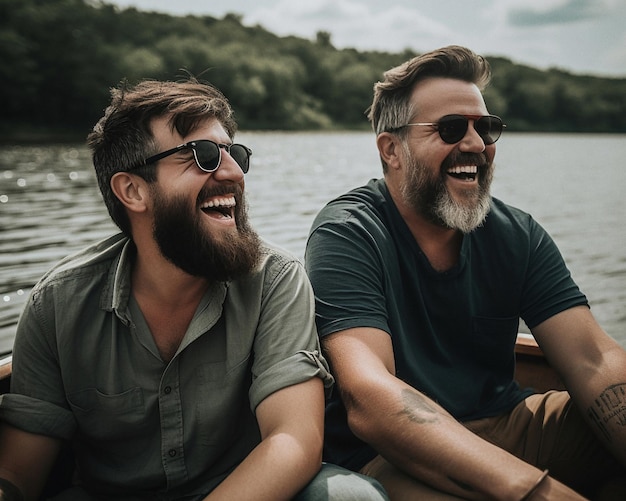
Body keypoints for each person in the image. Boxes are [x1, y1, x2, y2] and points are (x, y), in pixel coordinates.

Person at [0, 79, 389, 501]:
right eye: (202, 156)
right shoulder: (56, 305)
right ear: (132, 190)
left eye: (234, 154)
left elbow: (293, 440)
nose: (233, 173)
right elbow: (21, 471)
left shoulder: (275, 280)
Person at [305, 45, 626, 500]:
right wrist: (536, 492)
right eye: (452, 128)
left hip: (510, 425)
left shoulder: (519, 234)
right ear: (391, 149)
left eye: (487, 128)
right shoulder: (348, 234)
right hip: (391, 453)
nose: (476, 144)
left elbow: (593, 358)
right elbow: (370, 396)